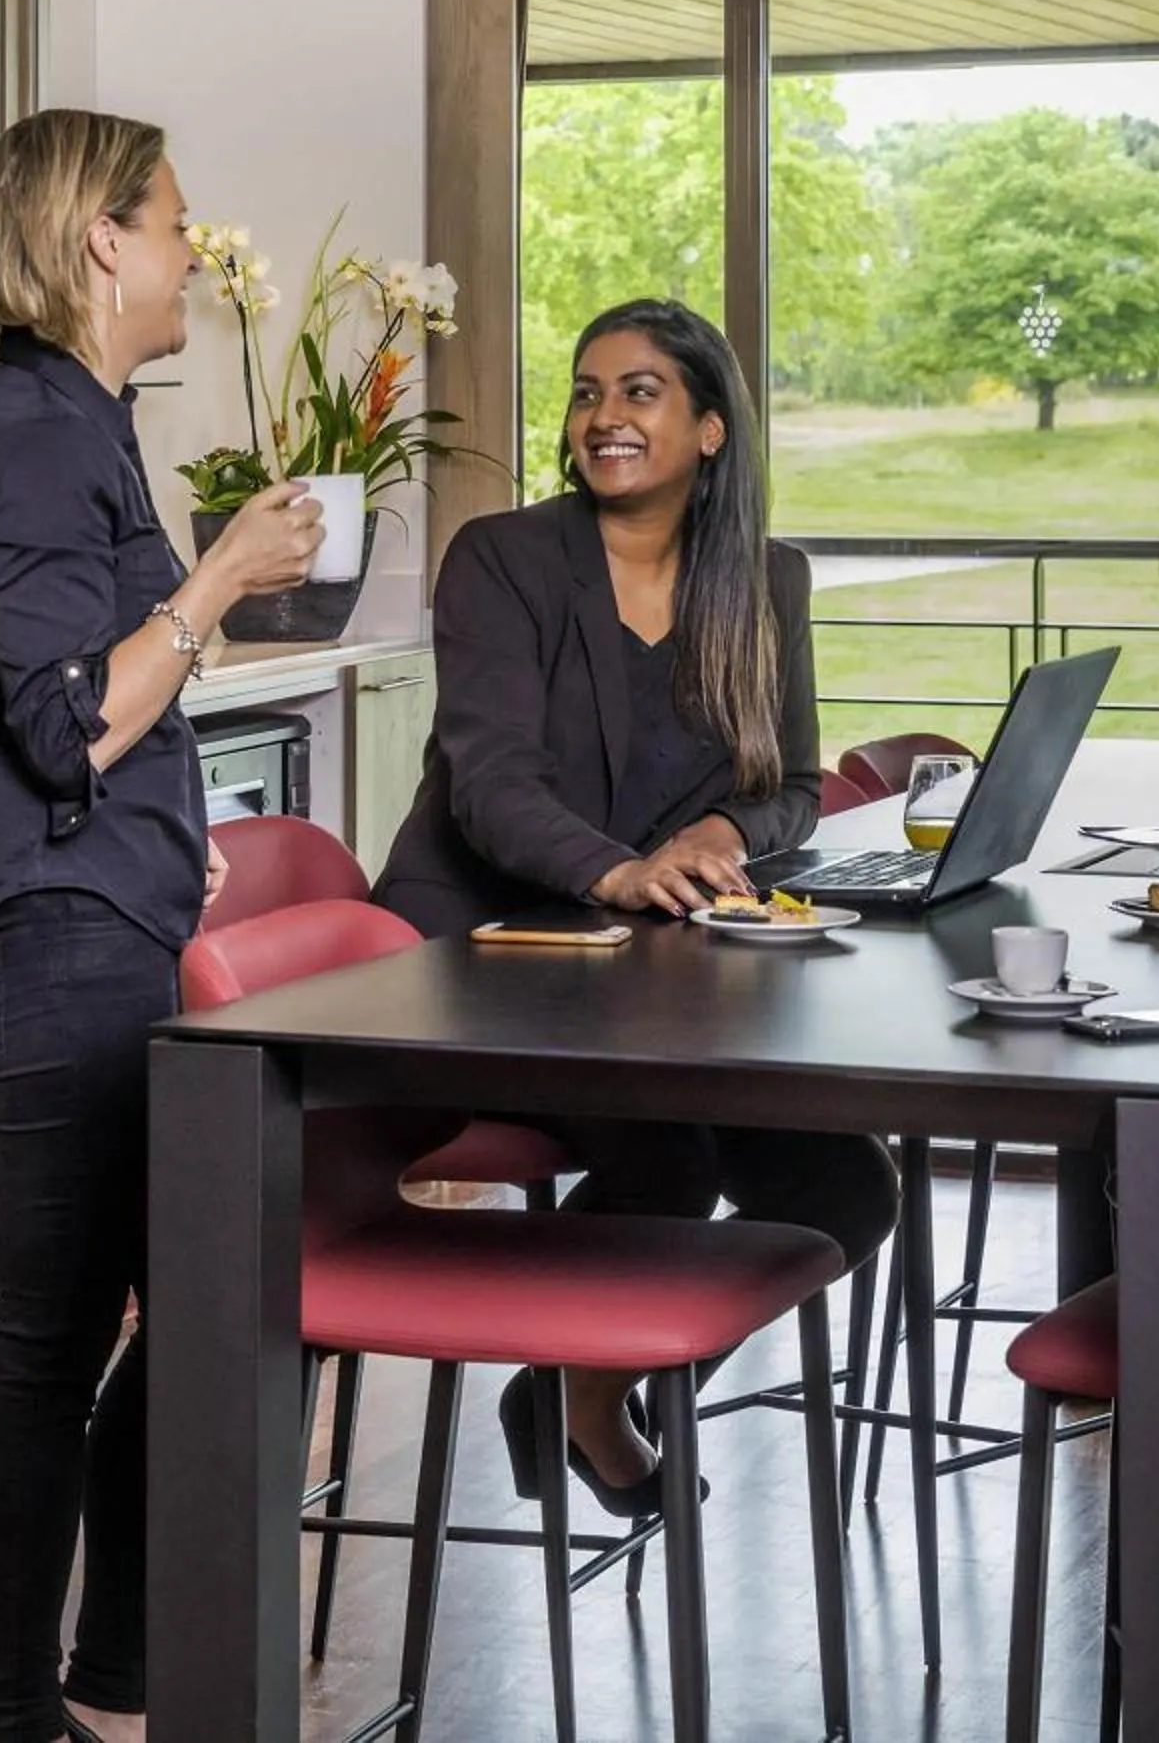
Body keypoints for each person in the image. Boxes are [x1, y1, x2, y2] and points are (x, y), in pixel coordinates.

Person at [0, 109, 325, 1743]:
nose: (184, 251)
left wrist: (176, 840)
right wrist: (220, 573)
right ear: (98, 241)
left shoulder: (78, 422)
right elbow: (68, 719)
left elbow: (101, 714)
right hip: (37, 946)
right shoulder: (28, 430)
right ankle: (10, 1716)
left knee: (203, 1297)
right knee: (57, 1340)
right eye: (171, 223)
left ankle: (110, 1685)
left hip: (93, 919)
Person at [373, 297, 898, 1514]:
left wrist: (725, 830)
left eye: (640, 392)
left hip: (661, 983)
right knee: (668, 1152)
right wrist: (614, 870)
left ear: (711, 428)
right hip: (484, 964)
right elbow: (492, 783)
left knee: (847, 1189)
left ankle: (575, 1390)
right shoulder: (502, 560)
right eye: (586, 393)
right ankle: (585, 1393)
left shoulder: (766, 579)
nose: (603, 417)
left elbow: (795, 787)